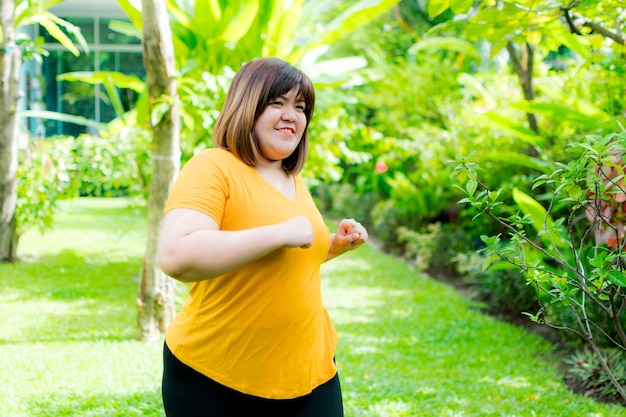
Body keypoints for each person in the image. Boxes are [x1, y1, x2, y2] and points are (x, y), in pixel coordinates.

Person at [157, 57, 368, 417]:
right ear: (247, 105)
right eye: (278, 102)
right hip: (217, 375)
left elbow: (285, 255)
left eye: (300, 107)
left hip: (309, 369)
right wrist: (280, 233)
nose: (292, 115)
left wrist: (332, 244)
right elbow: (177, 255)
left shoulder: (291, 178)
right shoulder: (213, 167)